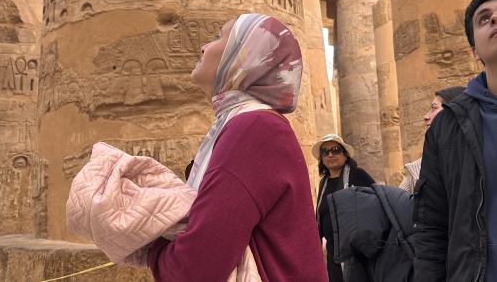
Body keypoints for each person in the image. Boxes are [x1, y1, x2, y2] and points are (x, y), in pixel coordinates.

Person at [147, 14, 328, 281]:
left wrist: (149, 246)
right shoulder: (247, 124)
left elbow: (196, 267)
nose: (203, 47)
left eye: (219, 37)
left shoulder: (254, 128)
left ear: (245, 56)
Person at [414, 0, 497, 282]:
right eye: (484, 18)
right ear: (475, 50)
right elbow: (432, 228)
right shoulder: (447, 126)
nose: (495, 20)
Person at [313, 134, 375, 282]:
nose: (330, 155)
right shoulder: (324, 183)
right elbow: (321, 215)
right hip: (333, 253)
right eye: (325, 152)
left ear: (345, 155)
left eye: (335, 150)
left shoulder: (358, 175)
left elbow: (376, 204)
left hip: (358, 253)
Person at [399, 86, 464, 194]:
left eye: (434, 108)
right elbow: (399, 205)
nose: (426, 116)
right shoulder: (416, 169)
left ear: (453, 111)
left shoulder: (478, 160)